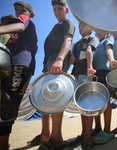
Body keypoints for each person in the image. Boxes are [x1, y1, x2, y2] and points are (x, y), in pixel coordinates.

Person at [27, 0, 75, 149]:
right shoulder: (56, 26)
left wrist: (60, 59)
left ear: (66, 10)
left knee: (55, 96)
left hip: (56, 60)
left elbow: (68, 39)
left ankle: (55, 139)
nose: (56, 12)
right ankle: (45, 133)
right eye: (54, 9)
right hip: (49, 61)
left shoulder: (68, 22)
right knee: (44, 98)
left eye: (60, 9)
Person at [0, 1, 38, 150]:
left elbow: (21, 25)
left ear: (31, 14)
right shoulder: (14, 32)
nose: (18, 13)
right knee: (10, 106)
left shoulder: (25, 21)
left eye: (22, 10)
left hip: (19, 64)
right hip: (19, 65)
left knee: (6, 104)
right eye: (16, 10)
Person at [68, 23, 96, 150]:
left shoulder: (90, 39)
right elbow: (72, 60)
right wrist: (70, 57)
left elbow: (89, 51)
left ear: (90, 29)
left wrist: (90, 67)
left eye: (83, 26)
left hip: (85, 72)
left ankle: (88, 137)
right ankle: (84, 133)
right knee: (80, 105)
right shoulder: (76, 44)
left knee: (88, 104)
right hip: (77, 74)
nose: (80, 28)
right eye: (79, 26)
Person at [91, 32, 117, 144]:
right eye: (97, 31)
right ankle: (98, 128)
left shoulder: (106, 41)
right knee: (96, 102)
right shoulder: (96, 45)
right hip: (96, 73)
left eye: (101, 30)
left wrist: (112, 60)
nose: (98, 32)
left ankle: (107, 130)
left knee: (106, 101)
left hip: (104, 71)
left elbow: (109, 50)